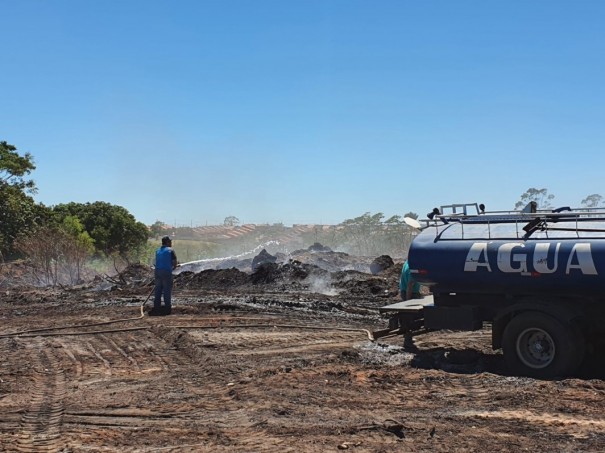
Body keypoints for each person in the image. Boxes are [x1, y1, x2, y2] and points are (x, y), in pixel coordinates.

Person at [151, 236, 178, 316]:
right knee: (167, 290)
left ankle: (157, 308)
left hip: (157, 271)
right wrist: (173, 267)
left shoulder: (157, 251)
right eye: (170, 241)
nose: (171, 243)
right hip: (166, 271)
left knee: (158, 290)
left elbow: (156, 262)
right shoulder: (171, 250)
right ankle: (167, 309)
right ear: (167, 242)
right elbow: (174, 263)